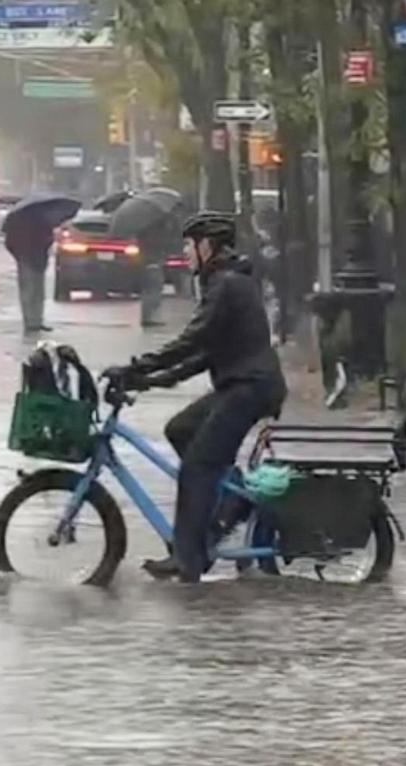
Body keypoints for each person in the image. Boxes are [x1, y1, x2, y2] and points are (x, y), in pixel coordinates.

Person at [102, 212, 287, 583]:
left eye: (189, 245)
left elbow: (193, 340)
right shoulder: (223, 281)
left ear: (208, 246)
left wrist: (138, 367)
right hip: (239, 384)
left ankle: (188, 558)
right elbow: (204, 354)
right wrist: (151, 379)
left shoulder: (227, 285)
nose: (185, 253)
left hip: (250, 388)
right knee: (181, 429)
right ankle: (231, 501)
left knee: (197, 467)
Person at [4, 217, 55, 334]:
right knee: (33, 291)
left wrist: (18, 255)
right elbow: (49, 241)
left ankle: (33, 321)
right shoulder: (43, 222)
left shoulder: (17, 222)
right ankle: (32, 321)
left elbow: (9, 243)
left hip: (32, 260)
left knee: (33, 291)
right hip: (31, 260)